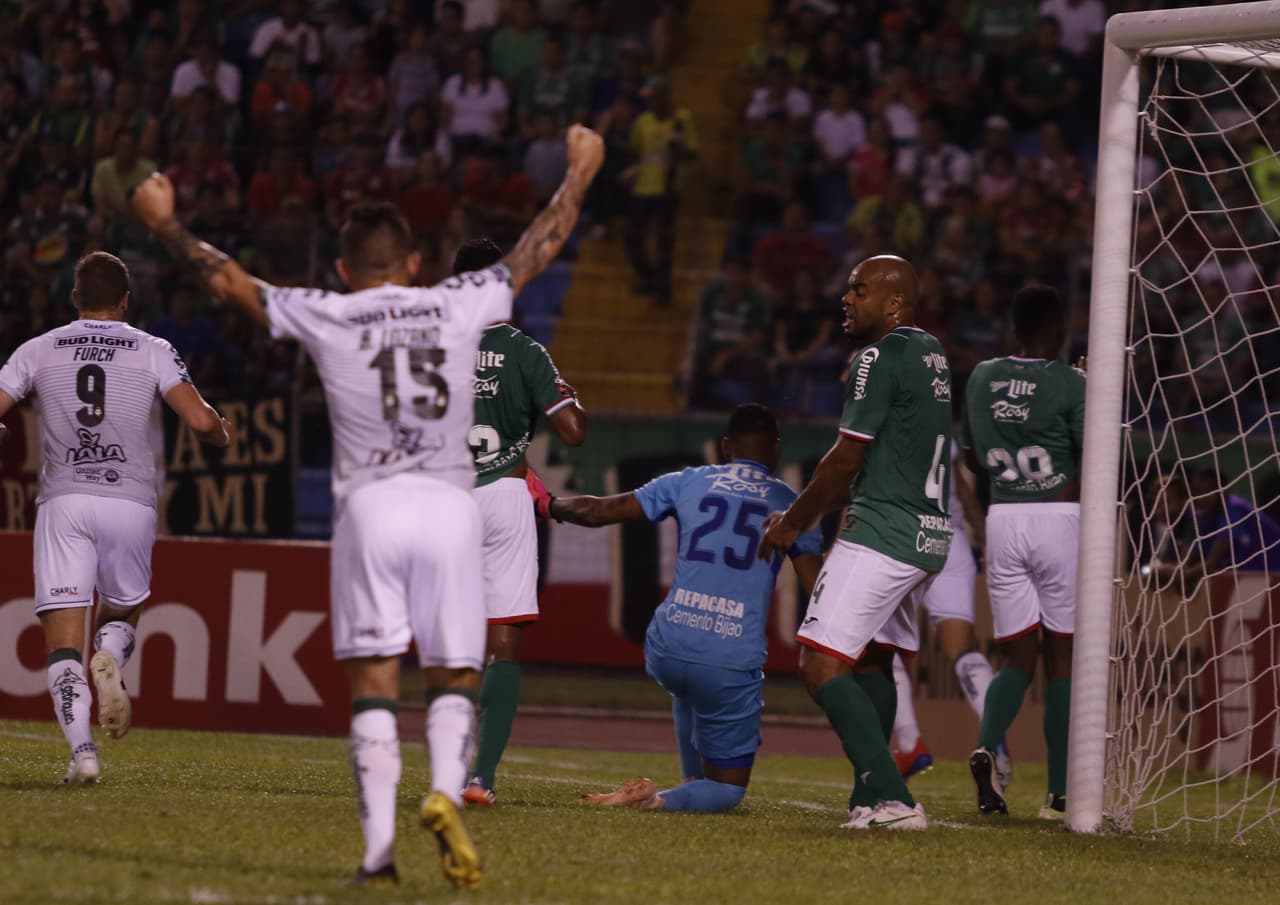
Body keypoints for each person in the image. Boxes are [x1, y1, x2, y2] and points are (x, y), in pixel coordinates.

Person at [130, 124, 604, 888]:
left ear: (347, 269)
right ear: (416, 265)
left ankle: (379, 854)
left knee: (376, 680)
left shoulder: (331, 312)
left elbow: (227, 281)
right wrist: (580, 171)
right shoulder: (458, 305)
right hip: (455, 504)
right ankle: (450, 792)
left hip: (374, 509)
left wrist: (163, 221)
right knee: (454, 673)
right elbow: (538, 244)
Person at [0, 252, 231, 784]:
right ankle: (109, 656)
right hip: (129, 501)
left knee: (61, 642)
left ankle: (83, 755)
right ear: (126, 301)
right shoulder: (153, 349)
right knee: (123, 615)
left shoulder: (39, 349)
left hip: (64, 503)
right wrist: (222, 431)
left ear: (75, 299)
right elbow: (198, 420)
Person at [757, 255, 954, 832]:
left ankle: (895, 801)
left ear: (894, 303)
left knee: (820, 663)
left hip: (885, 529)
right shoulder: (931, 351)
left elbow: (845, 458)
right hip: (927, 532)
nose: (846, 299)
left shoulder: (878, 355)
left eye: (859, 291)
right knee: (872, 660)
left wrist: (793, 522)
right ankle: (866, 800)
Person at [545, 404, 822, 812]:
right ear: (776, 450)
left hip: (668, 643)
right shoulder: (791, 505)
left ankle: (692, 778)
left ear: (726, 446)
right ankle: (656, 801)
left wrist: (546, 503)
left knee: (689, 685)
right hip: (729, 656)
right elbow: (817, 589)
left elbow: (597, 511)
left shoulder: (689, 480)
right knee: (727, 791)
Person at [446, 238, 588, 808]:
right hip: (503, 498)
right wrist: (561, 401)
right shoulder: (527, 351)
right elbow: (574, 431)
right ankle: (481, 776)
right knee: (503, 644)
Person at [961, 284, 1085, 820]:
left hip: (1003, 519)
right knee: (1061, 659)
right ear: (1058, 330)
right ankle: (1058, 793)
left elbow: (970, 456)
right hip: (1059, 519)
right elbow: (1095, 456)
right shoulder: (1072, 382)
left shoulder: (982, 376)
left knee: (1017, 655)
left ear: (1013, 329)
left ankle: (989, 746)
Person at [889, 441, 1010, 790]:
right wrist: (987, 538)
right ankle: (993, 736)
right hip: (950, 540)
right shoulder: (943, 431)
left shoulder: (879, 416)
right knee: (962, 651)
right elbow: (960, 489)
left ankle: (910, 743)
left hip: (901, 536)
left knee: (879, 645)